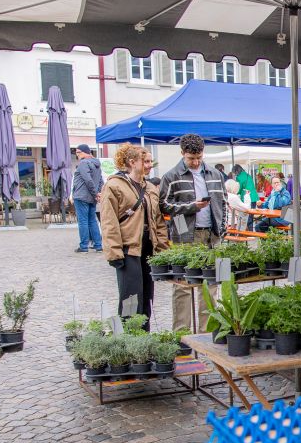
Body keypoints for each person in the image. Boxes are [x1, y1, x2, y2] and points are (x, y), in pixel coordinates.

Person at [159, 133, 225, 332]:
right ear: (182, 153)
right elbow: (163, 205)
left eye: (199, 157)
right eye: (191, 158)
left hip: (212, 235)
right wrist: (191, 206)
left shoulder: (214, 174)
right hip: (185, 234)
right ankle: (182, 333)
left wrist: (222, 227)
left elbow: (222, 202)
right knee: (182, 285)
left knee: (211, 284)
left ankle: (208, 330)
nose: (195, 162)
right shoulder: (171, 176)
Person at [99, 144, 169, 330]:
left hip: (148, 247)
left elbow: (158, 220)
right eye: (145, 161)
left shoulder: (150, 188)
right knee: (130, 298)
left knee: (147, 296)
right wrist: (114, 252)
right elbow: (109, 222)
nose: (149, 165)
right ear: (132, 162)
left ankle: (144, 337)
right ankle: (128, 337)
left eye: (150, 161)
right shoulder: (114, 186)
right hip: (128, 249)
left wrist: (163, 249)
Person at [72, 144, 104, 253]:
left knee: (83, 221)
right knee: (92, 221)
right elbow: (100, 181)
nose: (77, 154)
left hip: (81, 196)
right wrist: (98, 193)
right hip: (91, 197)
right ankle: (98, 245)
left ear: (86, 152)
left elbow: (88, 180)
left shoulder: (83, 163)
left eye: (78, 152)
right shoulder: (97, 164)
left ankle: (84, 246)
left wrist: (96, 193)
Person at [232, 164, 259, 230]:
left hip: (246, 197)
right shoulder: (247, 175)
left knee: (246, 215)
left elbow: (239, 188)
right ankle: (250, 230)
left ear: (236, 171)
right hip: (254, 197)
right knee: (251, 215)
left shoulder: (239, 177)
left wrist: (235, 193)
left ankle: (247, 231)